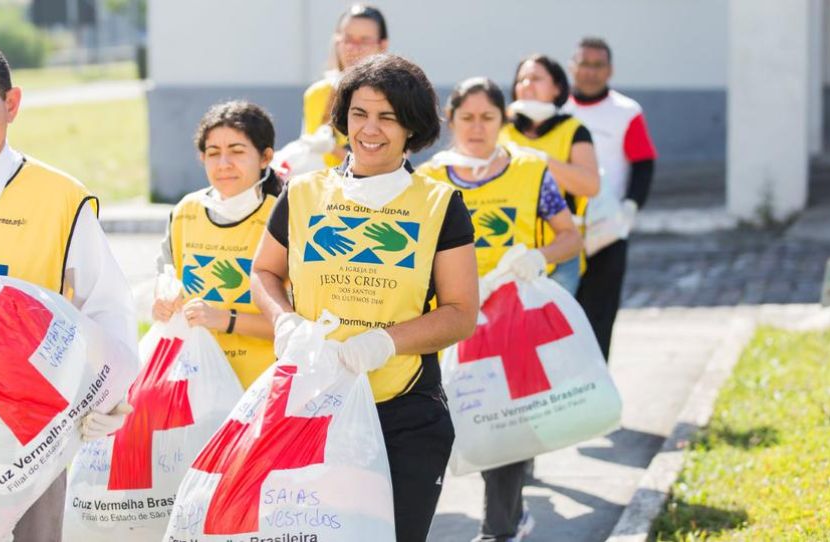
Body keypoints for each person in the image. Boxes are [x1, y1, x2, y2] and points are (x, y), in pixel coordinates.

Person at [0, 36, 138, 541]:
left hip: (22, 434)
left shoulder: (61, 199)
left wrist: (111, 395)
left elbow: (104, 304)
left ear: (11, 105)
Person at [252, 53, 478, 542]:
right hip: (312, 404)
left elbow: (461, 314)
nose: (370, 129)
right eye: (359, 113)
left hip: (405, 413)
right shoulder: (303, 193)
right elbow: (265, 271)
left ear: (412, 128)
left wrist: (385, 343)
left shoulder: (440, 204)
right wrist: (284, 321)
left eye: (388, 117)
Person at [418, 77, 583, 542]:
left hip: (513, 317)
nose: (476, 127)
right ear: (450, 121)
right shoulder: (427, 179)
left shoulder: (531, 171)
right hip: (449, 318)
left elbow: (571, 236)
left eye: (488, 117)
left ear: (503, 121)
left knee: (503, 421)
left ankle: (500, 529)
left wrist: (538, 257)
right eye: (466, 117)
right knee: (455, 422)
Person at [153, 100, 282, 388]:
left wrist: (224, 319)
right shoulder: (186, 211)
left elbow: (296, 324)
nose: (223, 164)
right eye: (213, 153)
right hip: (196, 386)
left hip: (261, 389)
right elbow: (166, 276)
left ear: (265, 157)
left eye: (237, 151)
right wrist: (162, 302)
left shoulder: (283, 215)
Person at [565, 37, 657, 360]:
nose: (590, 72)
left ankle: (599, 394)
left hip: (608, 231)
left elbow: (643, 162)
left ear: (610, 70)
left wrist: (630, 208)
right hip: (560, 232)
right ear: (571, 67)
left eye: (598, 65)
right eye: (584, 64)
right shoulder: (559, 111)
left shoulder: (626, 112)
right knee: (562, 317)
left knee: (601, 316)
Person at [498, 53, 600, 294]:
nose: (526, 85)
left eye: (536, 78)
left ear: (556, 87)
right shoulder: (501, 127)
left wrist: (539, 160)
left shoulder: (573, 129)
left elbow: (590, 185)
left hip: (558, 252)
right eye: (521, 80)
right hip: (505, 248)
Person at [300, 4, 388, 168]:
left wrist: (333, 149)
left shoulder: (394, 95)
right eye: (348, 39)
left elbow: (390, 163)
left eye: (364, 40)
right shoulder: (317, 94)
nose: (354, 48)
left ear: (382, 45)